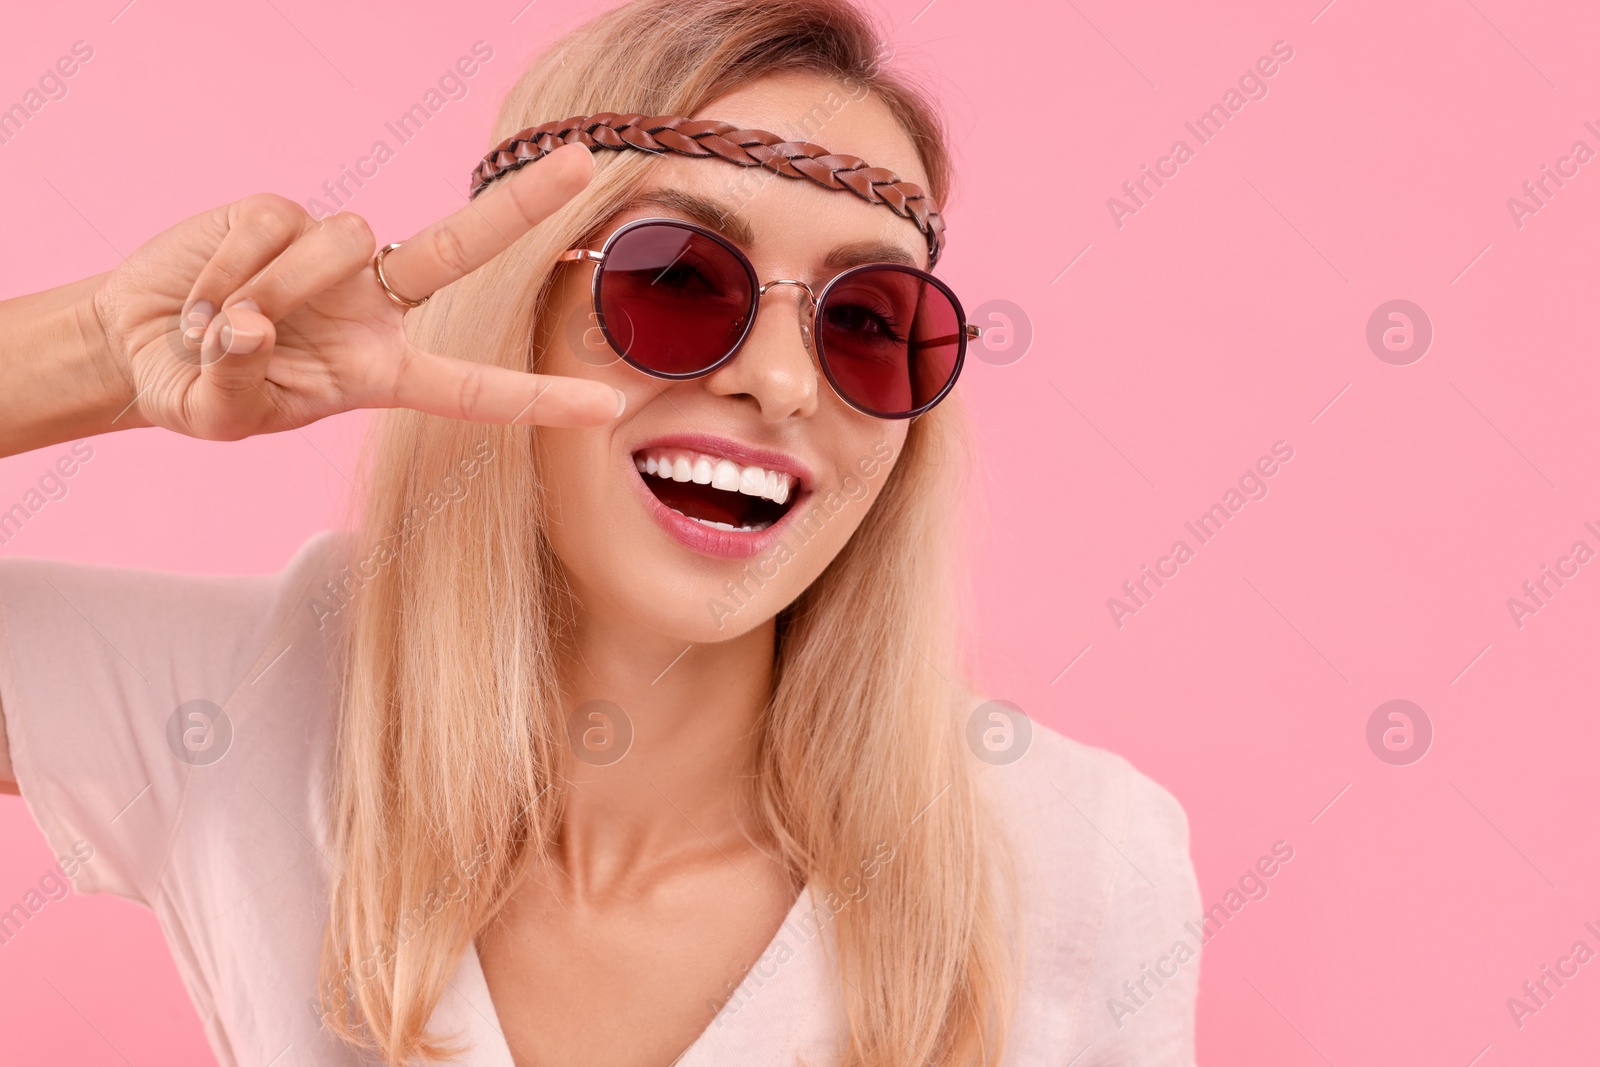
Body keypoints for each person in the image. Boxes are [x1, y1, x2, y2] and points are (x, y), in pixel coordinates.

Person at [0, 0, 1201, 1063]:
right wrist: (100, 355)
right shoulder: (249, 702)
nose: (783, 383)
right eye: (678, 278)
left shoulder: (1079, 854)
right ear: (515, 310)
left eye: (867, 321)